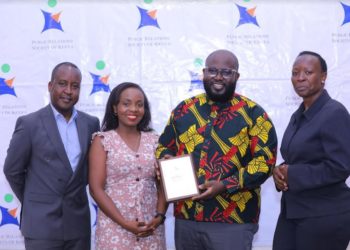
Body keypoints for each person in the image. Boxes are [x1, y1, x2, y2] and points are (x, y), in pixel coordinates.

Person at [156, 49, 278, 250]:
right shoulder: (184, 110)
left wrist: (226, 184)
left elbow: (265, 162)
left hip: (233, 221)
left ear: (236, 76)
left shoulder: (254, 114)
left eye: (226, 72)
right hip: (187, 217)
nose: (218, 77)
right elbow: (163, 147)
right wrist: (166, 160)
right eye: (212, 71)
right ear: (203, 73)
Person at [3, 62, 100, 250]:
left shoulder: (91, 124)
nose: (68, 91)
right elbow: (12, 170)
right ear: (50, 86)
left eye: (75, 86)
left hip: (78, 225)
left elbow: (90, 170)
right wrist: (36, 198)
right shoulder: (29, 124)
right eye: (62, 83)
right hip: (41, 225)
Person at [272, 51, 350, 250]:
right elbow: (297, 158)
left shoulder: (334, 113)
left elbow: (340, 167)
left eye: (308, 72)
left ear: (323, 77)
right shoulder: (297, 115)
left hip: (324, 215)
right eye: (295, 72)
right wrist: (280, 172)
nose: (300, 78)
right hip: (293, 212)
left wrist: (293, 174)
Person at [89, 82, 166, 250]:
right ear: (115, 108)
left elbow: (163, 185)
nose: (134, 109)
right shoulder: (102, 140)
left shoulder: (154, 140)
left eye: (140, 105)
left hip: (150, 228)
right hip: (114, 229)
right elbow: (96, 189)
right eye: (126, 103)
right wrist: (124, 223)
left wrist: (159, 217)